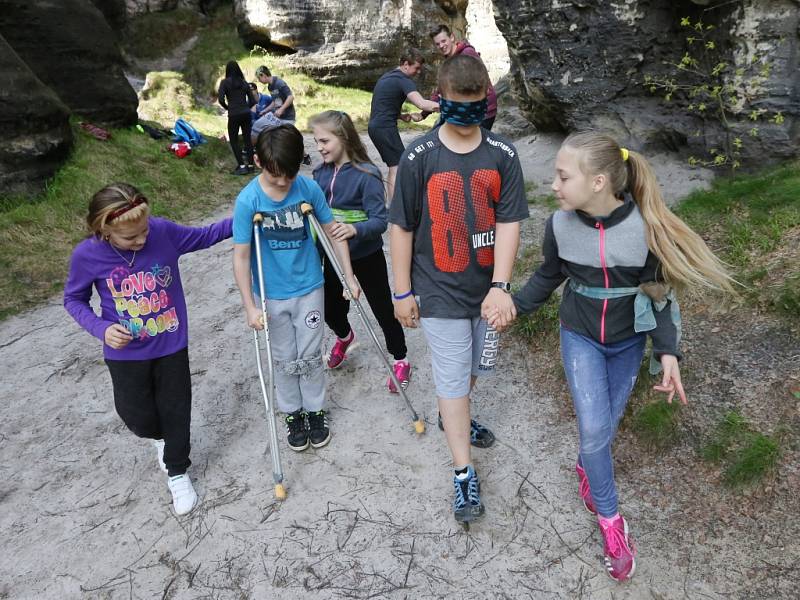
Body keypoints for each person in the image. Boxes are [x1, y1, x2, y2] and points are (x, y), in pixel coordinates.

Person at [489, 131, 735, 581]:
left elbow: (660, 295)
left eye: (563, 176)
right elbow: (548, 275)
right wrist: (513, 305)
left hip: (627, 342)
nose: (554, 184)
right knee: (595, 427)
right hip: (579, 335)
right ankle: (611, 522)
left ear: (599, 182)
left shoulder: (646, 228)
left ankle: (588, 463)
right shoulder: (559, 226)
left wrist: (668, 354)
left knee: (603, 427)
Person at [388, 54, 528, 524]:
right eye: (458, 106)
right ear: (441, 99)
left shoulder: (503, 155)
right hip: (439, 289)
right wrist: (401, 291)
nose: (467, 117)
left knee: (471, 371)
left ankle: (457, 414)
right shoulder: (418, 157)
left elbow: (510, 222)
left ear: (486, 100)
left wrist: (501, 286)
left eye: (476, 106)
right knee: (451, 374)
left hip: (485, 291)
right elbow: (402, 227)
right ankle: (463, 472)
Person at [63, 183, 233, 516]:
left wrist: (248, 212)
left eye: (144, 231)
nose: (142, 240)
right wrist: (101, 328)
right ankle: (159, 439)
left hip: (170, 343)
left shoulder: (162, 232)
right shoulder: (87, 255)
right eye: (131, 238)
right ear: (104, 230)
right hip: (125, 353)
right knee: (136, 416)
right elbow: (73, 299)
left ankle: (178, 470)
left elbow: (207, 234)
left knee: (176, 410)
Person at [232, 124, 360, 452]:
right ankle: (293, 412)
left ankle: (315, 410)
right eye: (276, 176)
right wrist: (249, 305)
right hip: (272, 294)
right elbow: (242, 255)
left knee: (309, 354)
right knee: (284, 356)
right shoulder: (249, 200)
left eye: (289, 175)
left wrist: (349, 276)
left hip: (309, 287)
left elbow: (333, 232)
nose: (283, 183)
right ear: (259, 162)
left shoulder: (307, 188)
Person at [310, 110, 412, 391]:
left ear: (343, 138)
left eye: (324, 141)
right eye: (317, 141)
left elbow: (380, 221)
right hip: (331, 257)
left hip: (366, 256)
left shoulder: (367, 175)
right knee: (330, 307)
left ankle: (400, 357)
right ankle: (344, 336)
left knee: (381, 309)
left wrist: (355, 230)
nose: (319, 147)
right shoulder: (318, 174)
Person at [368, 49, 440, 202]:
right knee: (398, 167)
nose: (418, 72)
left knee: (395, 165)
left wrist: (400, 116)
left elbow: (383, 103)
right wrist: (450, 106)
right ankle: (395, 208)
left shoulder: (388, 76)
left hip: (377, 127)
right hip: (384, 128)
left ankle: (394, 205)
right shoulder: (403, 80)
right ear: (406, 64)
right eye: (417, 68)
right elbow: (422, 103)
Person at [418, 24, 498, 131]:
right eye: (437, 44)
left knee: (470, 145)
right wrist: (423, 114)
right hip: (464, 110)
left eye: (443, 41)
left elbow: (478, 85)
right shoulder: (450, 60)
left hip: (482, 111)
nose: (441, 46)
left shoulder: (467, 54)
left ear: (451, 37)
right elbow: (442, 90)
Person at [218, 60, 256, 175]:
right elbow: (253, 101)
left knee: (234, 140)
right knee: (247, 139)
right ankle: (250, 166)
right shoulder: (244, 83)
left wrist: (228, 107)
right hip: (246, 114)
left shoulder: (224, 82)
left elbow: (220, 99)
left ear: (227, 71)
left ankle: (241, 166)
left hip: (234, 114)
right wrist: (245, 108)